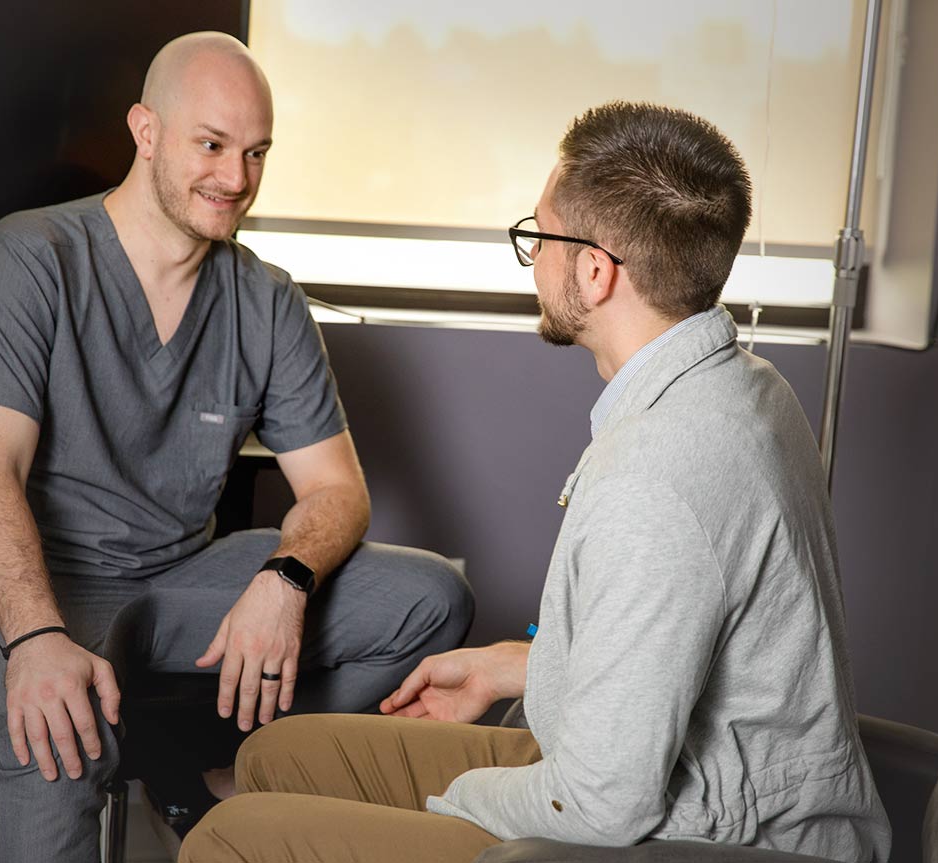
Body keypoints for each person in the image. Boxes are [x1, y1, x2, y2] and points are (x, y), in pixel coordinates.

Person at [179, 101, 892, 863]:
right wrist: (515, 665)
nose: (534, 255)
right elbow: (676, 634)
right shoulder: (747, 384)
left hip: (709, 837)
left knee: (231, 839)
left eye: (540, 235)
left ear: (594, 269)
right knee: (277, 756)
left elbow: (600, 802)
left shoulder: (656, 478)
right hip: (668, 777)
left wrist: (455, 803)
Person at [0, 32, 473, 863]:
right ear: (145, 131)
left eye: (256, 153)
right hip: (6, 590)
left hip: (174, 581)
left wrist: (284, 581)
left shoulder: (267, 302)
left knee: (432, 599)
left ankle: (223, 778)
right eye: (210, 145)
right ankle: (154, 755)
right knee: (65, 726)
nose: (236, 178)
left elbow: (337, 490)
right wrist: (34, 642)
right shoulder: (27, 261)